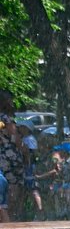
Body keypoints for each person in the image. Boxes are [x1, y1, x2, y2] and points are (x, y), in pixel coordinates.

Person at [0, 89, 24, 221]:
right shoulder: (6, 118)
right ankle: (12, 221)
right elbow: (15, 138)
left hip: (1, 157)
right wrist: (25, 152)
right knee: (14, 190)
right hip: (10, 158)